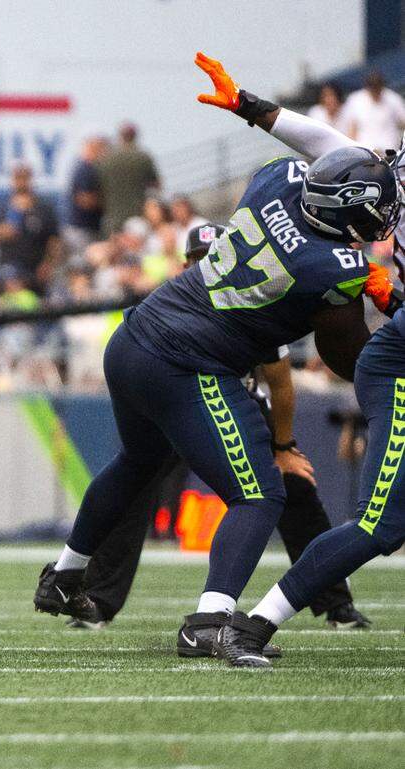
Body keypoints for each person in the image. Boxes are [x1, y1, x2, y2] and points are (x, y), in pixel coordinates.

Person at [32, 51, 397, 659]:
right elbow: (344, 352)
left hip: (136, 336)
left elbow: (318, 160)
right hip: (187, 362)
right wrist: (374, 299)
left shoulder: (276, 180)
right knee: (258, 495)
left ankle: (67, 571)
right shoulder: (332, 267)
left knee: (137, 461)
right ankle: (209, 621)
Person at [179, 55, 405, 667]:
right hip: (399, 353)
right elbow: (330, 147)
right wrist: (249, 104)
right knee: (381, 526)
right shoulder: (375, 191)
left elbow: (329, 145)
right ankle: (256, 624)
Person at [65, 225, 372, 643]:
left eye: (212, 255)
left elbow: (280, 383)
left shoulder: (254, 294)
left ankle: (336, 600)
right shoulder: (176, 298)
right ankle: (98, 598)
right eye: (198, 258)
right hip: (178, 393)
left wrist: (283, 445)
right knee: (136, 479)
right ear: (187, 265)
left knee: (291, 486)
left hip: (233, 400)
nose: (205, 263)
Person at [0, 163, 62, 295]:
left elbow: (54, 239)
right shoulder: (2, 205)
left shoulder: (43, 207)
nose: (22, 182)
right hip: (9, 266)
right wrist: (4, 231)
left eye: (25, 178)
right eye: (18, 178)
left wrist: (48, 264)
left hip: (36, 268)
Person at [98, 122, 160, 235]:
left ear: (120, 136)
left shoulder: (106, 159)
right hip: (139, 215)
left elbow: (98, 189)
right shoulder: (143, 157)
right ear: (135, 136)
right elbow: (156, 186)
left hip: (114, 217)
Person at [340, 70, 405, 153]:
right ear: (368, 87)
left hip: (391, 152)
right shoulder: (355, 100)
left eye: (377, 87)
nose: (376, 91)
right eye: (373, 87)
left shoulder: (392, 98)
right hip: (367, 154)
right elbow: (352, 130)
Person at [64, 135, 108, 256]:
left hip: (89, 228)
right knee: (84, 265)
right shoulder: (85, 169)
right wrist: (109, 202)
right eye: (101, 148)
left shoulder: (94, 168)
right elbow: (84, 200)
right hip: (82, 229)